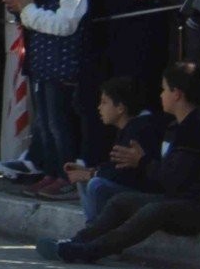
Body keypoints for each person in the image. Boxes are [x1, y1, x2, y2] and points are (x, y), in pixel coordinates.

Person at [39, 62, 200, 263]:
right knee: (122, 201)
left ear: (177, 94)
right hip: (177, 198)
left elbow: (173, 178)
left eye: (164, 90)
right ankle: (75, 241)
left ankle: (89, 251)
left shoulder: (195, 129)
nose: (161, 95)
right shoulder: (175, 127)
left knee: (153, 210)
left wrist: (142, 161)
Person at [5, 0, 91, 197]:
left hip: (62, 71)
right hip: (46, 70)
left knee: (61, 127)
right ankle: (53, 172)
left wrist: (27, 10)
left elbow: (64, 25)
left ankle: (68, 178)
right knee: (48, 126)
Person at [61, 75, 167, 224]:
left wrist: (92, 174)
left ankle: (95, 232)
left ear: (120, 108)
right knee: (83, 179)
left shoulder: (140, 130)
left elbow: (126, 175)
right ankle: (91, 227)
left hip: (145, 194)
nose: (99, 107)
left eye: (104, 102)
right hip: (132, 188)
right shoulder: (127, 128)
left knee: (96, 185)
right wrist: (88, 171)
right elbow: (115, 166)